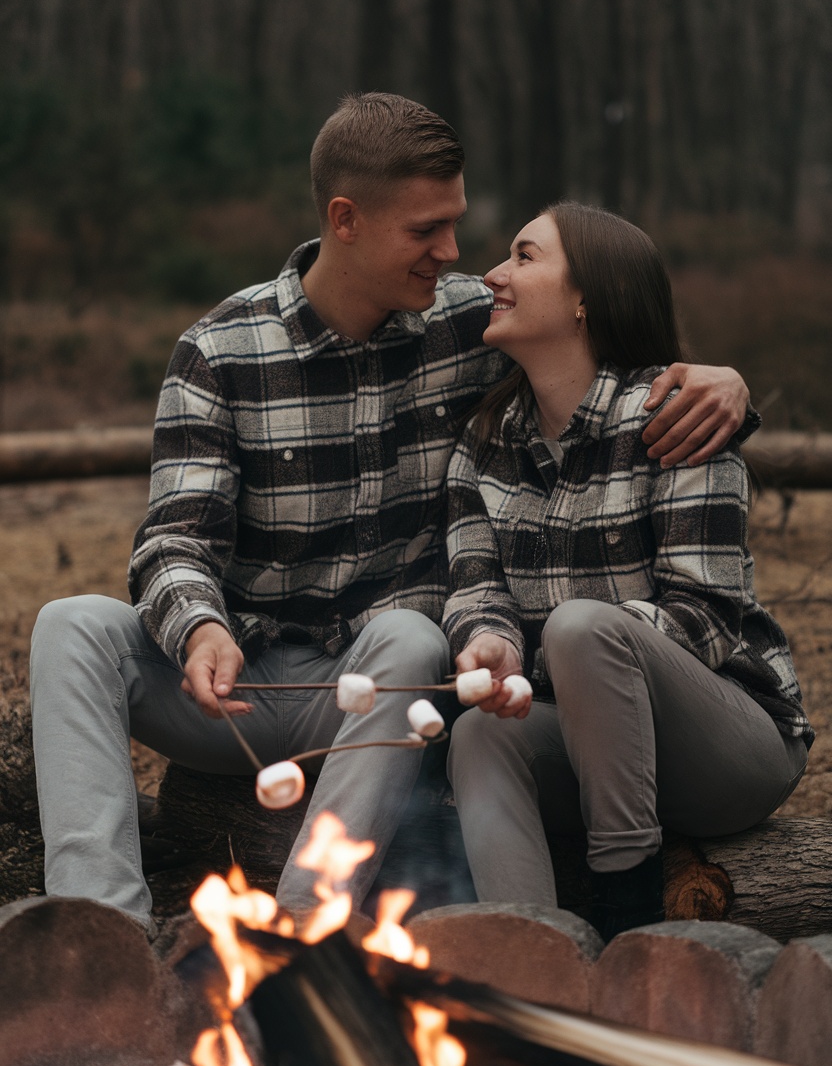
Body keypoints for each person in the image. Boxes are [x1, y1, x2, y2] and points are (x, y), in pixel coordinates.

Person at [30, 95, 753, 938]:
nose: (454, 255)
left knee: (412, 635)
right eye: (425, 232)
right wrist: (196, 627)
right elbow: (174, 537)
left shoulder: (465, 324)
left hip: (384, 690)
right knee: (69, 624)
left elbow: (594, 344)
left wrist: (725, 384)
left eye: (455, 224)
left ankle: (303, 929)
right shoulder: (221, 350)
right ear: (347, 219)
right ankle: (95, 934)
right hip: (237, 684)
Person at [443, 201, 813, 942]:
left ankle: (630, 918)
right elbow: (477, 588)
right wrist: (491, 643)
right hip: (592, 750)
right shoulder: (483, 444)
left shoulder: (676, 417)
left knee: (584, 629)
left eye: (523, 256)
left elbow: (704, 618)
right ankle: (532, 949)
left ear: (586, 298)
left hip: (728, 746)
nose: (493, 274)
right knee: (479, 737)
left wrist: (561, 659)